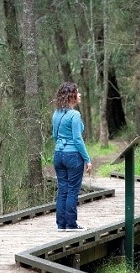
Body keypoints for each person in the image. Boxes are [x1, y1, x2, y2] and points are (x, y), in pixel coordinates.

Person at [52, 82, 92, 232]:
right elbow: (77, 139)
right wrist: (87, 159)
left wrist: (60, 148)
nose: (80, 95)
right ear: (71, 96)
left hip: (58, 155)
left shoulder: (56, 113)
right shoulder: (75, 115)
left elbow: (54, 135)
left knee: (63, 189)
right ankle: (71, 224)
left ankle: (61, 224)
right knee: (72, 190)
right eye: (77, 92)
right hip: (73, 155)